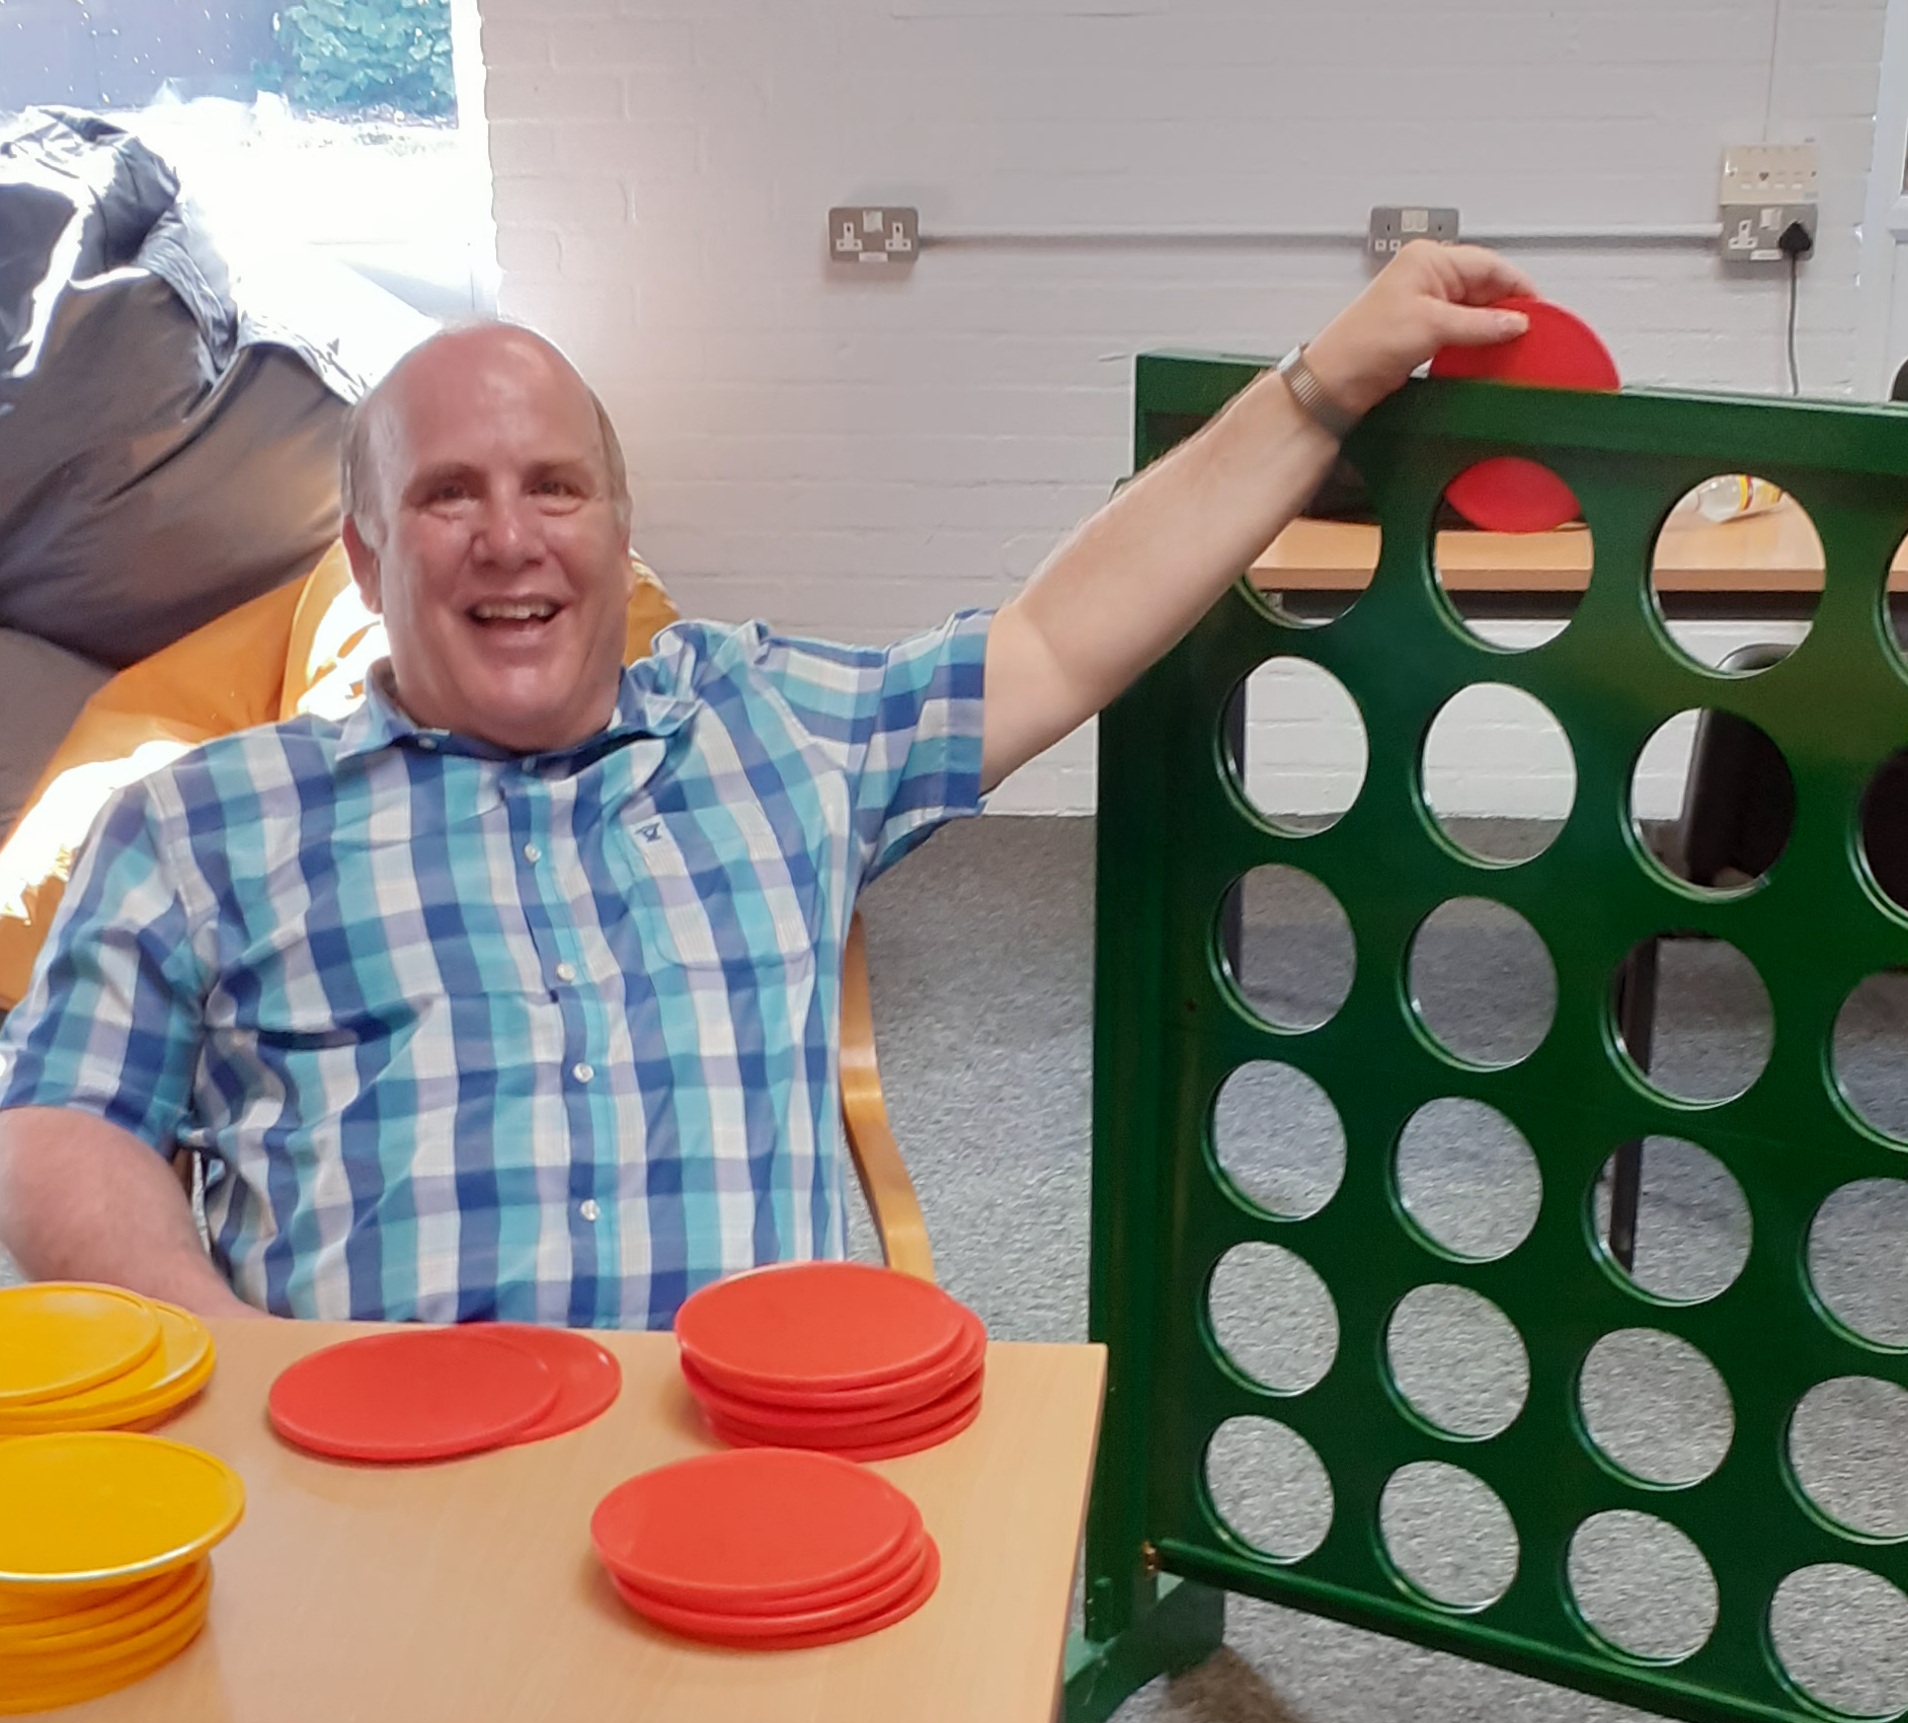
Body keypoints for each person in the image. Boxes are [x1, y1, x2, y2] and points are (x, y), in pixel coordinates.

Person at [0, 241, 1532, 1327]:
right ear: (365, 554)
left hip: (759, 1473)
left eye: (554, 488)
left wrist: (1321, 387)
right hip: (382, 1492)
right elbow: (61, 1120)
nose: (510, 538)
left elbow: (1060, 637)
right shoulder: (203, 823)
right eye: (447, 494)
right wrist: (239, 1363)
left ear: (620, 531)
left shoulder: (776, 728)